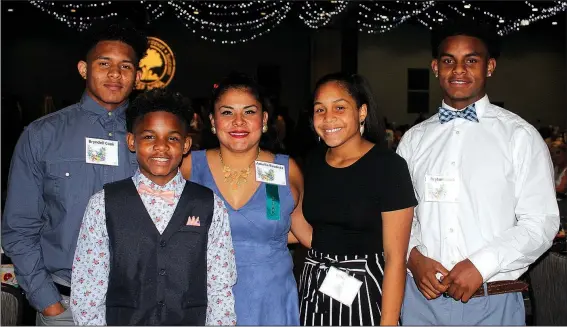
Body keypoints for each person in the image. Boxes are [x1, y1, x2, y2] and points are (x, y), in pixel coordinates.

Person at [397, 19, 560, 325]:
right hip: (421, 301)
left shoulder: (520, 137)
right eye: (449, 61)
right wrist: (413, 257)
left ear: (489, 67)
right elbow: (402, 215)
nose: (459, 70)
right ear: (435, 67)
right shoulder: (413, 140)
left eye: (471, 60)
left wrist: (481, 265)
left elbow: (541, 222)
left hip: (492, 301)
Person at [1, 18, 148, 326]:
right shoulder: (43, 135)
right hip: (65, 306)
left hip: (137, 306)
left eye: (125, 66)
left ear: (137, 76)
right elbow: (18, 226)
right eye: (104, 63)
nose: (114, 74)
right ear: (83, 68)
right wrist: (48, 302)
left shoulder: (153, 138)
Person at [70, 88, 236, 325]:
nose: (161, 146)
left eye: (173, 138)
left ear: (186, 144)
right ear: (131, 141)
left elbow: (220, 288)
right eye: (149, 136)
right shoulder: (103, 204)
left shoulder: (209, 205)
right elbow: (88, 288)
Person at [180, 72, 311, 325]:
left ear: (263, 120)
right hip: (204, 300)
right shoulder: (186, 167)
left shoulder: (286, 169)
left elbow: (300, 230)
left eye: (249, 112)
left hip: (271, 301)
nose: (238, 121)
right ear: (213, 121)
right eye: (227, 112)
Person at [299, 73, 417, 326]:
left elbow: (396, 258)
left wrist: (388, 322)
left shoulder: (388, 166)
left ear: (362, 111)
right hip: (315, 286)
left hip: (365, 289)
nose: (328, 117)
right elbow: (312, 232)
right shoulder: (313, 162)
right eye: (320, 109)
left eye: (339, 107)